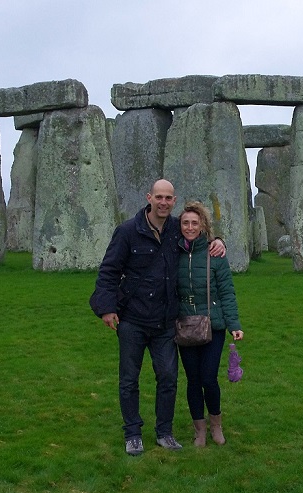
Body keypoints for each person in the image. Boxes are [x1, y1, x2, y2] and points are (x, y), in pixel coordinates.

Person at [89, 179, 226, 456]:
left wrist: (218, 241)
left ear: (174, 201)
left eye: (169, 198)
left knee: (168, 377)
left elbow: (198, 235)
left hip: (166, 320)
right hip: (132, 319)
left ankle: (164, 432)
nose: (164, 202)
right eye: (159, 197)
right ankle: (133, 433)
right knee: (129, 378)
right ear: (149, 197)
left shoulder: (177, 228)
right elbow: (109, 271)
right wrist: (106, 307)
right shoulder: (128, 231)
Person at [176, 201, 244, 447]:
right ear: (179, 225)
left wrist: (233, 324)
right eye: (185, 223)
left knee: (208, 378)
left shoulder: (215, 254)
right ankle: (199, 430)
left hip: (213, 325)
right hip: (184, 324)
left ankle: (216, 424)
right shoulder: (174, 251)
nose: (190, 227)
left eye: (195, 222)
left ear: (203, 225)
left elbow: (227, 292)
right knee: (193, 379)